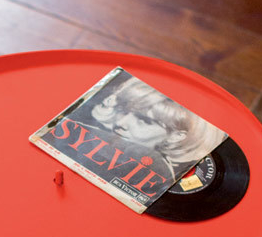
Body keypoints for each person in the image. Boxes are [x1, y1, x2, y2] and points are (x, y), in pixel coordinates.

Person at [87, 75, 224, 175]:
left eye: (143, 120)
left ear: (176, 136)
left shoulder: (162, 174)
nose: (120, 123)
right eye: (124, 110)